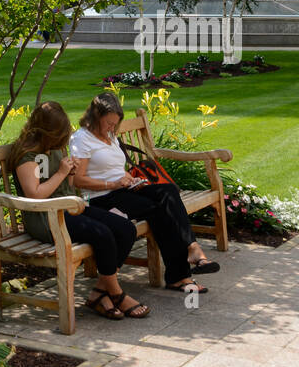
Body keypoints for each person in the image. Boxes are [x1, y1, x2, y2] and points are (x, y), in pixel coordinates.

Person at [69, 92, 219, 297]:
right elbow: (78, 180)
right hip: (100, 199)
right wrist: (112, 183)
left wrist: (129, 178)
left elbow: (114, 167)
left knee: (168, 191)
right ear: (95, 116)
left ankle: (192, 249)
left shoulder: (110, 136)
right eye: (108, 123)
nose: (111, 128)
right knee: (159, 210)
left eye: (115, 124)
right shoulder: (82, 139)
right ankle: (180, 274)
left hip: (122, 189)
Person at [10, 100, 149, 320]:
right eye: (60, 134)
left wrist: (71, 171)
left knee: (125, 229)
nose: (64, 139)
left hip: (68, 209)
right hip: (47, 219)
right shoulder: (27, 155)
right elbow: (35, 195)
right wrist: (61, 173)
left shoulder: (53, 148)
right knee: (102, 235)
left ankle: (99, 292)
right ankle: (115, 292)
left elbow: (70, 185)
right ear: (49, 132)